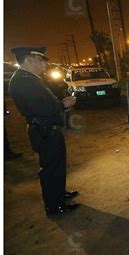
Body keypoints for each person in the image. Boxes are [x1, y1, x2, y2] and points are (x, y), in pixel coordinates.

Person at [9, 47, 79, 216]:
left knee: (57, 165)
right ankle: (55, 206)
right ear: (29, 61)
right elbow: (41, 107)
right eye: (40, 61)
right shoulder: (24, 80)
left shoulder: (29, 78)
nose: (44, 65)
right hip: (44, 130)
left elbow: (44, 103)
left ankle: (59, 194)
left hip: (47, 129)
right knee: (51, 168)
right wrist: (63, 105)